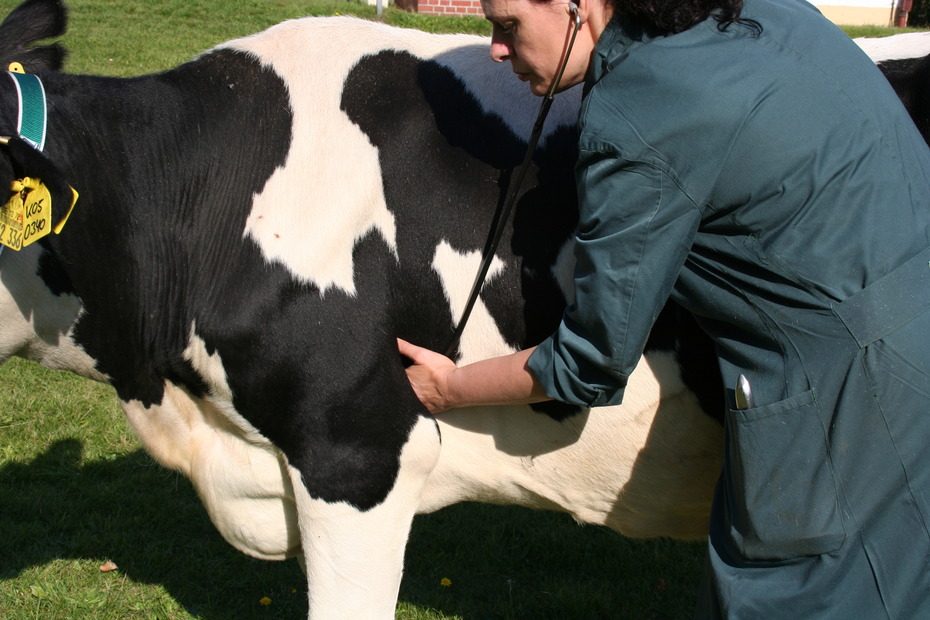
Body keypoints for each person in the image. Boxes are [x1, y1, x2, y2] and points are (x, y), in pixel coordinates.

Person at [398, 0, 930, 616]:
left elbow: (590, 363)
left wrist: (449, 389)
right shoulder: (766, 11)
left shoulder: (640, 111)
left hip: (849, 413)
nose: (494, 47)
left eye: (508, 24)